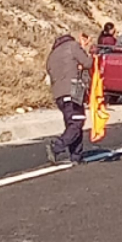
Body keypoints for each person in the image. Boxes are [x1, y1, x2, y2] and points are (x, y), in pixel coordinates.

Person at [45, 33, 93, 164]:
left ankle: (76, 156)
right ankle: (57, 146)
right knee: (76, 123)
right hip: (73, 90)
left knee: (72, 123)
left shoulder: (52, 55)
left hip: (59, 95)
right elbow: (88, 63)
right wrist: (86, 51)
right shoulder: (72, 46)